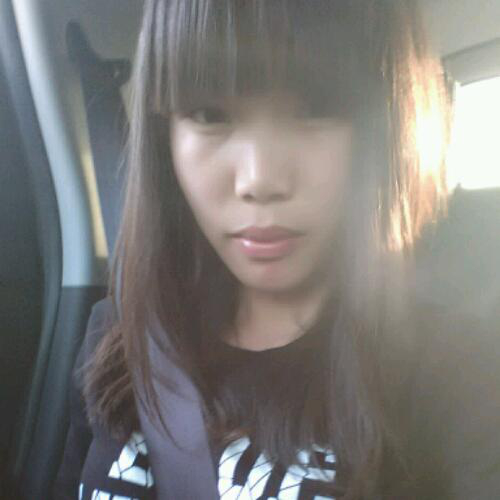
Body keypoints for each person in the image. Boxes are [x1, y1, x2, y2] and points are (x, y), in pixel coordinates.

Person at [53, 1, 500, 499]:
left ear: (386, 126)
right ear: (164, 137)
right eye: (209, 114)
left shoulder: (462, 373)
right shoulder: (121, 333)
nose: (259, 179)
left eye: (314, 109)